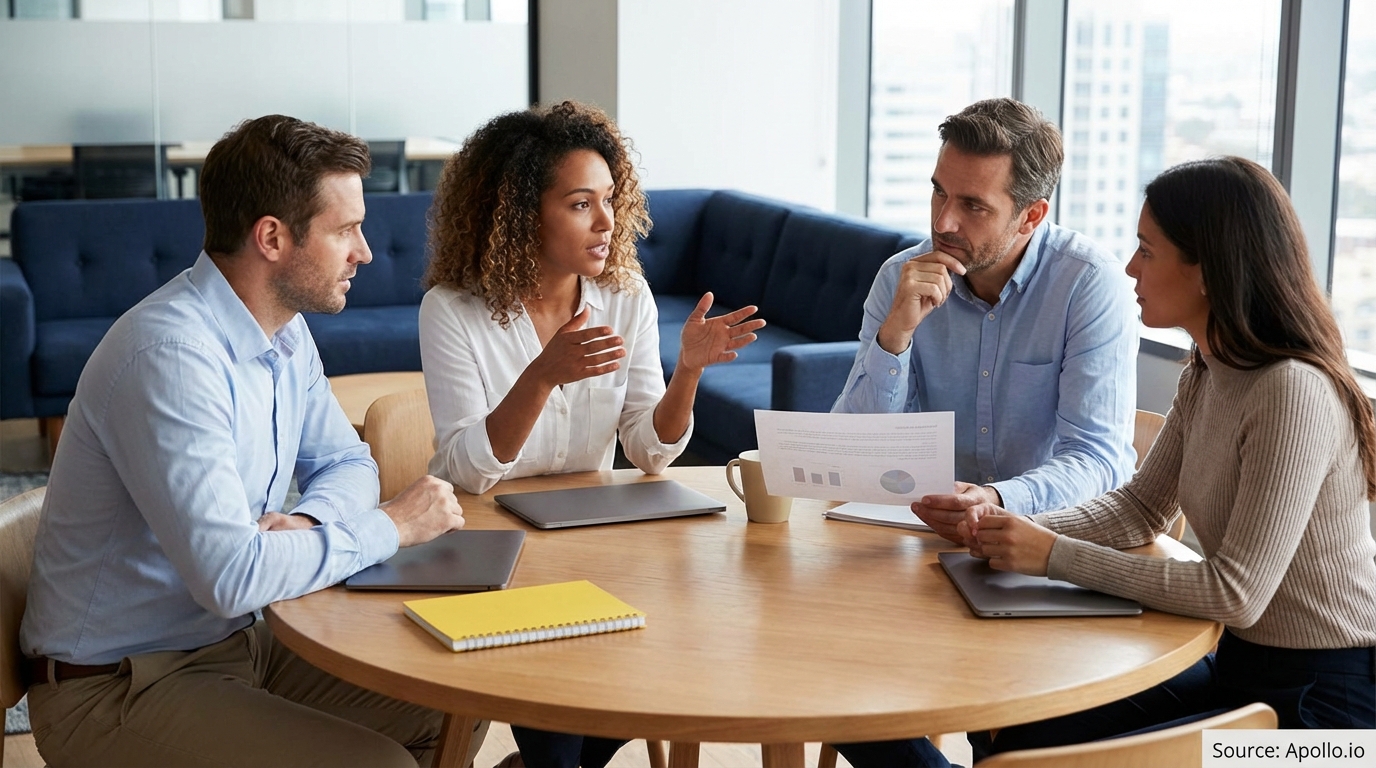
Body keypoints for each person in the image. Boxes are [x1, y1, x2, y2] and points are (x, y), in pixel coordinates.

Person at [858, 156, 1376, 768]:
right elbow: (1140, 509)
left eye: (1147, 251)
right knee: (1020, 726)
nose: (1130, 268)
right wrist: (999, 526)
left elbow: (1236, 593)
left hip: (1327, 721)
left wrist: (1052, 555)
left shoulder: (1290, 390)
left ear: (1207, 268)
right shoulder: (1209, 371)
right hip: (1242, 670)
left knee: (1033, 753)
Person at [20, 115, 482, 768]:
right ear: (272, 237)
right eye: (346, 229)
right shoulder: (171, 356)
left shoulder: (285, 334)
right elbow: (232, 578)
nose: (366, 252)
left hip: (234, 648)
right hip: (118, 689)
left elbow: (348, 460)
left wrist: (305, 520)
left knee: (452, 697)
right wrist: (390, 527)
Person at [420, 101, 763, 768]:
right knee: (559, 722)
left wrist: (686, 371)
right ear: (520, 213)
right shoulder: (453, 310)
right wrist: (541, 376)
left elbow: (647, 445)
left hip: (600, 544)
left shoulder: (624, 295)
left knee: (685, 644)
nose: (606, 221)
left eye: (610, 199)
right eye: (581, 203)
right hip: (500, 550)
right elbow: (466, 469)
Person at [832, 98, 1138, 529]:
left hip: (1044, 537)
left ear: (1031, 215)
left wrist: (995, 499)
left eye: (973, 205)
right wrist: (893, 338)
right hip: (923, 536)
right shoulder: (899, 279)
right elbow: (850, 451)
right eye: (939, 191)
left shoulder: (1088, 284)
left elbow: (1098, 460)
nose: (943, 222)